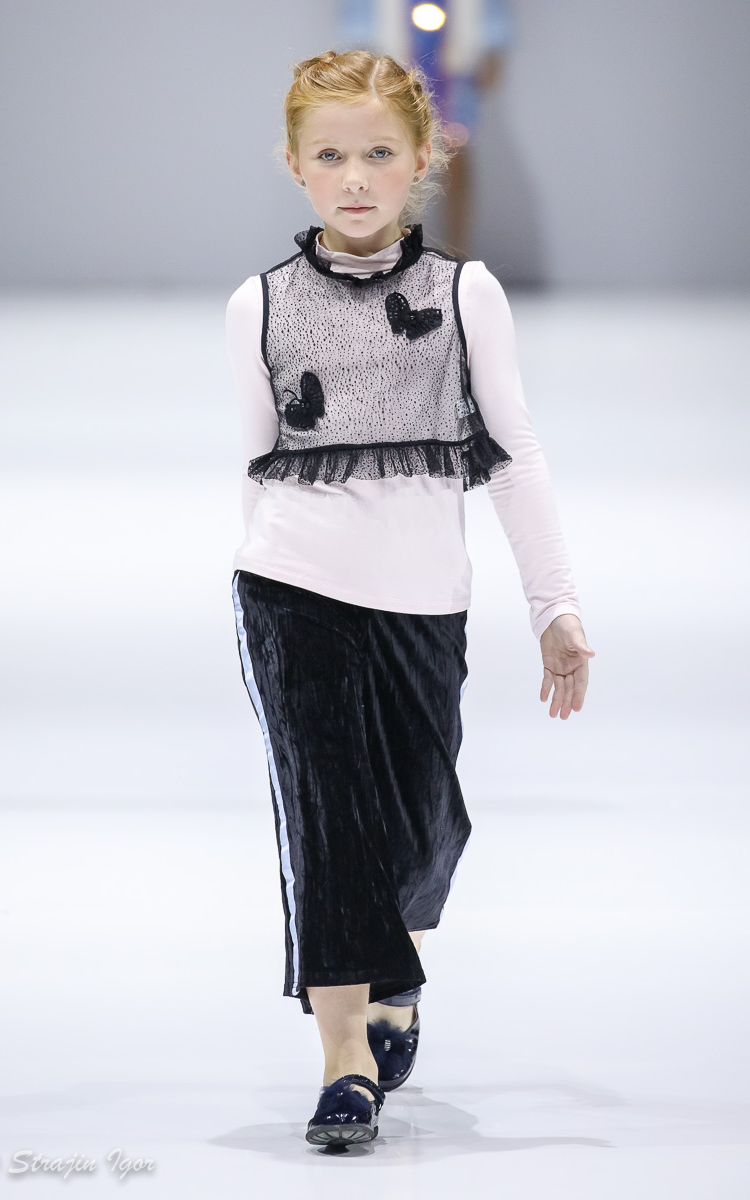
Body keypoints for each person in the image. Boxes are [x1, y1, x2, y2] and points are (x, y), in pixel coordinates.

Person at [225, 48, 595, 1147]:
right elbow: (255, 465)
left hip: (424, 602)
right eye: (330, 156)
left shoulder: (463, 294)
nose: (354, 178)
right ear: (294, 165)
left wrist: (554, 606)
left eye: (378, 154)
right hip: (293, 593)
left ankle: (398, 974)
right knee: (328, 823)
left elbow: (515, 457)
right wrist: (252, 592)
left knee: (425, 825)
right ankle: (344, 1063)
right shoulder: (257, 304)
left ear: (422, 158)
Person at [337, 0, 515, 258]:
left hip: (454, 69)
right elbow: (359, 19)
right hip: (392, 67)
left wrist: (491, 53)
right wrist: (361, 59)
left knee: (456, 153)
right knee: (391, 160)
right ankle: (393, 253)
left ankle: (458, 254)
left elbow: (491, 15)